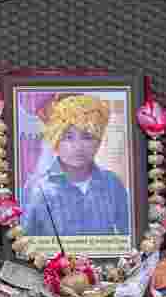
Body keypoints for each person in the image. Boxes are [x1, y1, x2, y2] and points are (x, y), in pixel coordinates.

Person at [21, 94, 131, 237]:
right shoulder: (37, 188)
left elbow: (129, 236)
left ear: (98, 141)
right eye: (68, 137)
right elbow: (25, 242)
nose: (78, 147)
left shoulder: (112, 184)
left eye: (87, 137)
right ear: (55, 140)